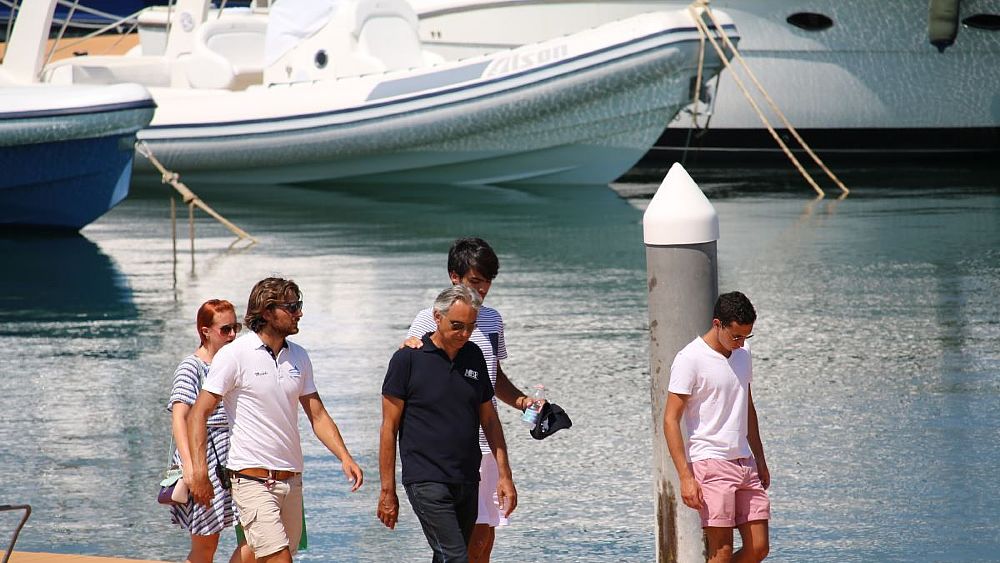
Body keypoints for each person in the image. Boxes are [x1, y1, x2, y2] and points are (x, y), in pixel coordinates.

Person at [187, 277, 364, 563]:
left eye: (299, 306)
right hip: (251, 480)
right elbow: (198, 413)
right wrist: (198, 472)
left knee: (254, 556)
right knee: (279, 559)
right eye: (292, 307)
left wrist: (344, 456)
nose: (300, 313)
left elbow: (317, 414)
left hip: (291, 481)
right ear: (268, 312)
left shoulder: (300, 357)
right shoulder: (235, 355)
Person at [402, 237, 536, 562]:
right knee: (457, 543)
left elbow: (494, 376)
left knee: (483, 536)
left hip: (487, 443)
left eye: (488, 281)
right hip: (450, 450)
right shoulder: (429, 318)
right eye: (476, 280)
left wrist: (523, 402)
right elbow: (410, 367)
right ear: (455, 277)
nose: (484, 288)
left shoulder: (491, 320)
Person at [379, 285, 517, 562]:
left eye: (470, 326)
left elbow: (489, 419)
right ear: (437, 317)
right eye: (457, 326)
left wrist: (505, 475)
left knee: (447, 556)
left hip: (467, 478)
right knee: (456, 557)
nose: (464, 334)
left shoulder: (474, 356)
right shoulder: (408, 359)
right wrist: (387, 491)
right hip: (425, 479)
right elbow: (388, 429)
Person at [663, 291, 771, 563]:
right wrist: (686, 477)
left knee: (759, 547)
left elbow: (747, 407)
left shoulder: (743, 353)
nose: (741, 342)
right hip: (710, 463)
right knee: (720, 553)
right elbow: (670, 419)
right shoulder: (690, 358)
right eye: (736, 335)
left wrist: (760, 458)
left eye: (747, 336)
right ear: (717, 324)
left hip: (744, 461)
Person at [167, 299, 253, 563]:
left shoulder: (233, 362)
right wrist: (192, 470)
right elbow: (180, 418)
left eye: (235, 328)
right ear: (205, 331)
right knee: (206, 546)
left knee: (258, 539)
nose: (232, 335)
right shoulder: (192, 367)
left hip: (237, 457)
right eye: (225, 329)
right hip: (207, 459)